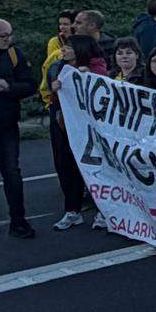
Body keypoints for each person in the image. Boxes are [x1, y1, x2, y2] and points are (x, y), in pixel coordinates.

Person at [46, 35, 108, 232]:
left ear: (80, 49)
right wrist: (54, 89)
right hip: (64, 124)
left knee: (95, 167)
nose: (63, 49)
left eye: (69, 47)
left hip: (90, 129)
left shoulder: (97, 67)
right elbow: (53, 95)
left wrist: (87, 76)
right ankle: (72, 211)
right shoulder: (56, 67)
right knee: (67, 166)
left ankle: (104, 210)